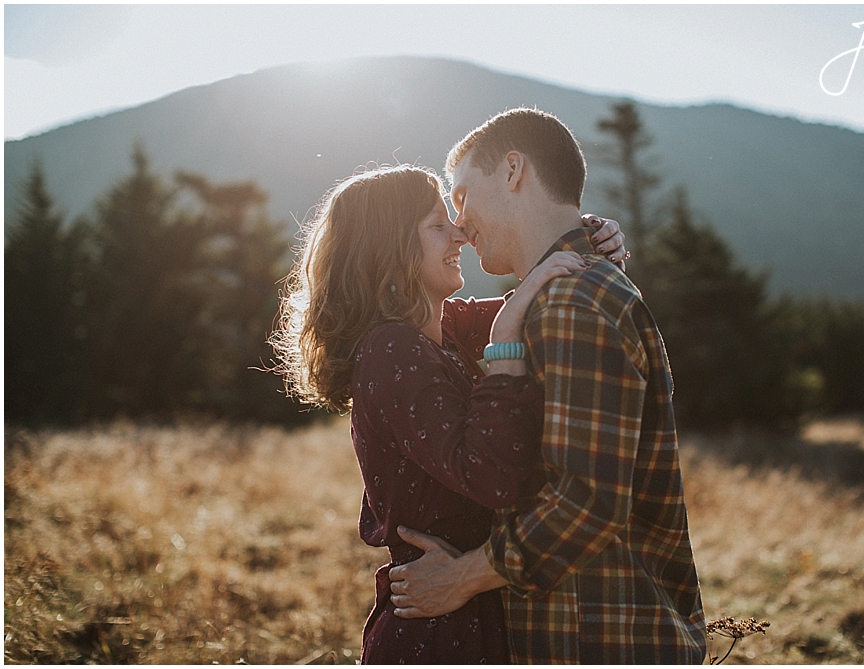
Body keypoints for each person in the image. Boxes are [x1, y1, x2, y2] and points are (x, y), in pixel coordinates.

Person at [387, 108, 707, 664]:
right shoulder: (560, 293)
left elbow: (586, 501)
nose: (459, 225)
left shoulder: (570, 302)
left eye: (462, 196)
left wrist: (461, 578)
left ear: (513, 170)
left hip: (595, 638)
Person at [271, 164, 627, 663]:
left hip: (463, 608)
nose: (459, 233)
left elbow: (538, 303)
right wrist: (504, 347)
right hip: (439, 632)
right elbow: (492, 477)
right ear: (391, 249)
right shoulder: (392, 349)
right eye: (439, 225)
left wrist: (588, 238)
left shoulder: (440, 328)